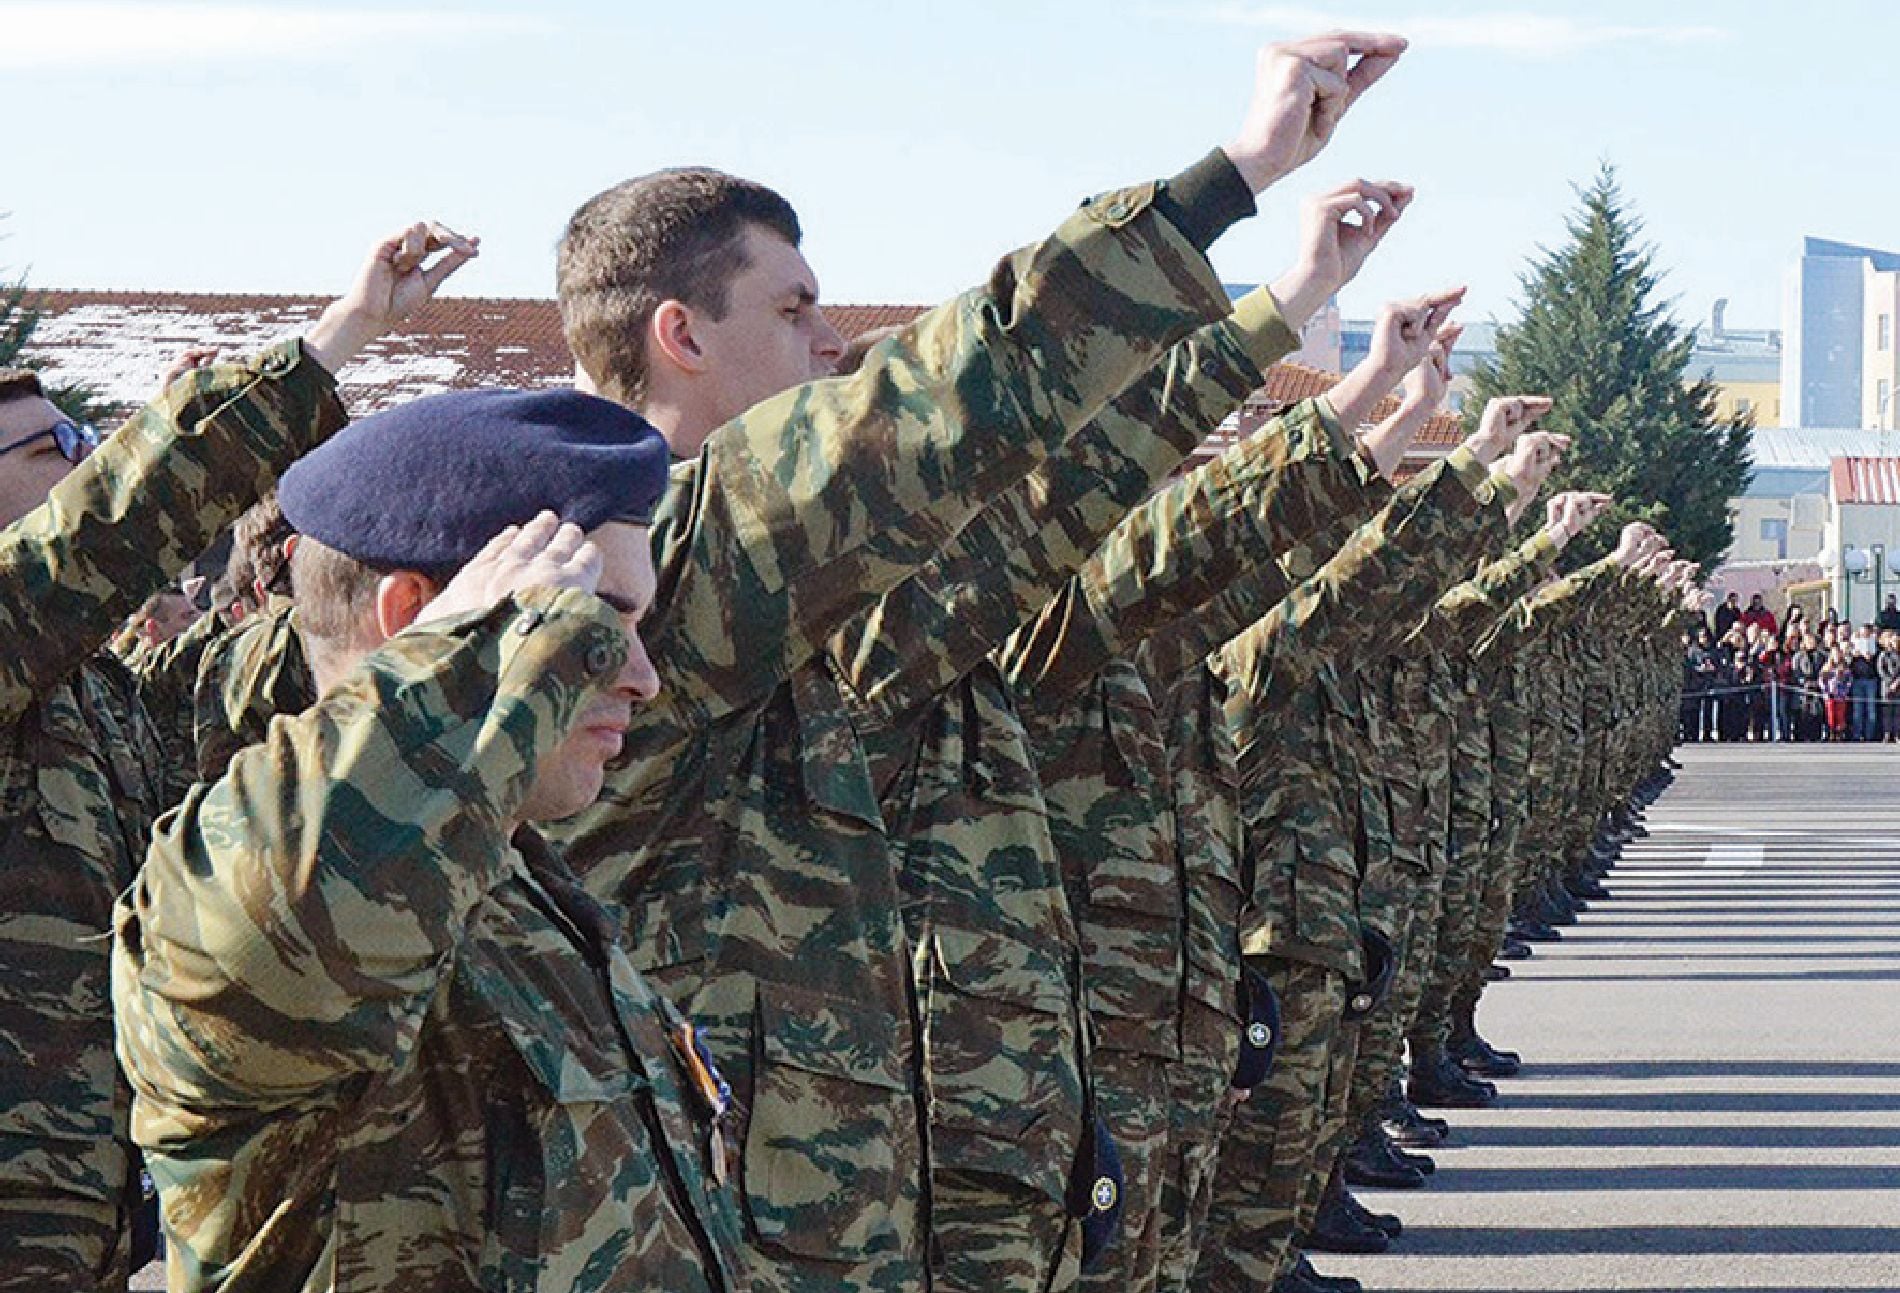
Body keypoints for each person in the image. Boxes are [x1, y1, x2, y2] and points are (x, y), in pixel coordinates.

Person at [546, 30, 1415, 1293]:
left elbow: (1061, 490)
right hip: (747, 1213)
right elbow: (951, 399)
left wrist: (1270, 318)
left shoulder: (792, 586)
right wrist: (1228, 176)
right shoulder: (669, 567)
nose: (829, 343)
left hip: (907, 1173)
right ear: (678, 334)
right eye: (792, 311)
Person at [113, 393, 750, 1291]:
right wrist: (459, 652)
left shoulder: (531, 897)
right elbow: (289, 906)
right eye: (589, 627)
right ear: (418, 618)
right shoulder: (226, 884)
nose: (639, 676)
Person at [0, 221, 473, 1291]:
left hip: (96, 1205)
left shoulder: (104, 699)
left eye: (86, 440)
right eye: (50, 449)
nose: (84, 458)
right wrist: (331, 343)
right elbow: (95, 535)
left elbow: (281, 665)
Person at [1880, 629, 1900, 741]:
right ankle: (1887, 733)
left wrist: (1897, 681)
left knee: (1897, 712)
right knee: (1887, 711)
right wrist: (1890, 682)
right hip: (1887, 686)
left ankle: (1897, 734)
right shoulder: (1884, 654)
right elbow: (1881, 670)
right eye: (1893, 640)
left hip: (1898, 686)